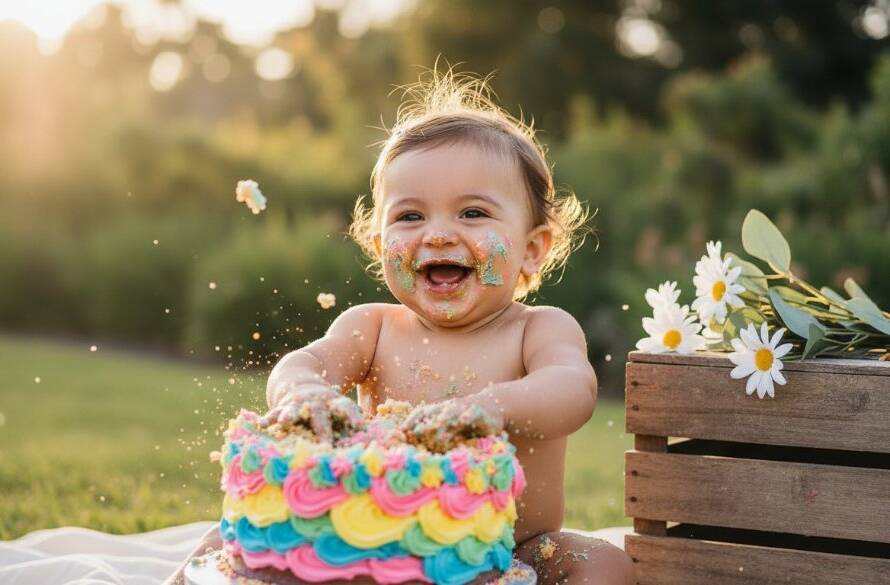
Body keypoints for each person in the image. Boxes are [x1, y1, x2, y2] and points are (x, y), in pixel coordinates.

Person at [168, 68, 633, 585]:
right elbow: (304, 363)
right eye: (409, 217)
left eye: (473, 212)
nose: (436, 234)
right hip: (370, 547)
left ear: (531, 249)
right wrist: (305, 394)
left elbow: (573, 390)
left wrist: (487, 409)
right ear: (377, 242)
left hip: (509, 555)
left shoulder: (537, 329)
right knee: (231, 537)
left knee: (604, 563)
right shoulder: (373, 327)